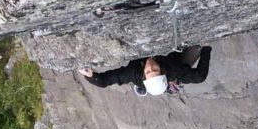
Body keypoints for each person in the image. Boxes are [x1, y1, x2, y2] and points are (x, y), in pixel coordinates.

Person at [79, 45, 211, 96]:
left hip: (169, 63)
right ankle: (169, 86)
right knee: (197, 49)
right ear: (162, 71)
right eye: (155, 69)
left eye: (148, 71)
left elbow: (103, 82)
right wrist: (206, 49)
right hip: (171, 60)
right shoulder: (173, 71)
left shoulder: (133, 73)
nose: (150, 66)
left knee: (195, 50)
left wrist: (90, 75)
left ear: (144, 76)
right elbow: (199, 77)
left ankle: (144, 88)